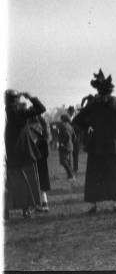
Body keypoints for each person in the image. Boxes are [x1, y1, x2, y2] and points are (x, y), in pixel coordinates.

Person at [73, 70, 116, 214]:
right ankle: (115, 204)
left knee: (95, 175)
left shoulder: (93, 103)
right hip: (112, 145)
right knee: (113, 174)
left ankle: (94, 205)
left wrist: (88, 126)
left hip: (98, 145)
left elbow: (77, 120)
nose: (104, 97)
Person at [4, 90, 46, 219]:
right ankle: (26, 208)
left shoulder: (6, 111)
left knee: (10, 183)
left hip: (9, 153)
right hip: (23, 153)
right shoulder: (19, 112)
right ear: (16, 99)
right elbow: (41, 108)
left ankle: (6, 210)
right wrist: (30, 97)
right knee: (28, 182)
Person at [56, 114, 76, 181]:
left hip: (64, 147)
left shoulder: (62, 126)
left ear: (63, 119)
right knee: (68, 162)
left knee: (63, 161)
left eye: (61, 119)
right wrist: (70, 143)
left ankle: (71, 175)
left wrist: (62, 143)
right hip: (70, 146)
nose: (60, 120)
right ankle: (70, 176)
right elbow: (74, 137)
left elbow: (66, 135)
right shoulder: (70, 126)